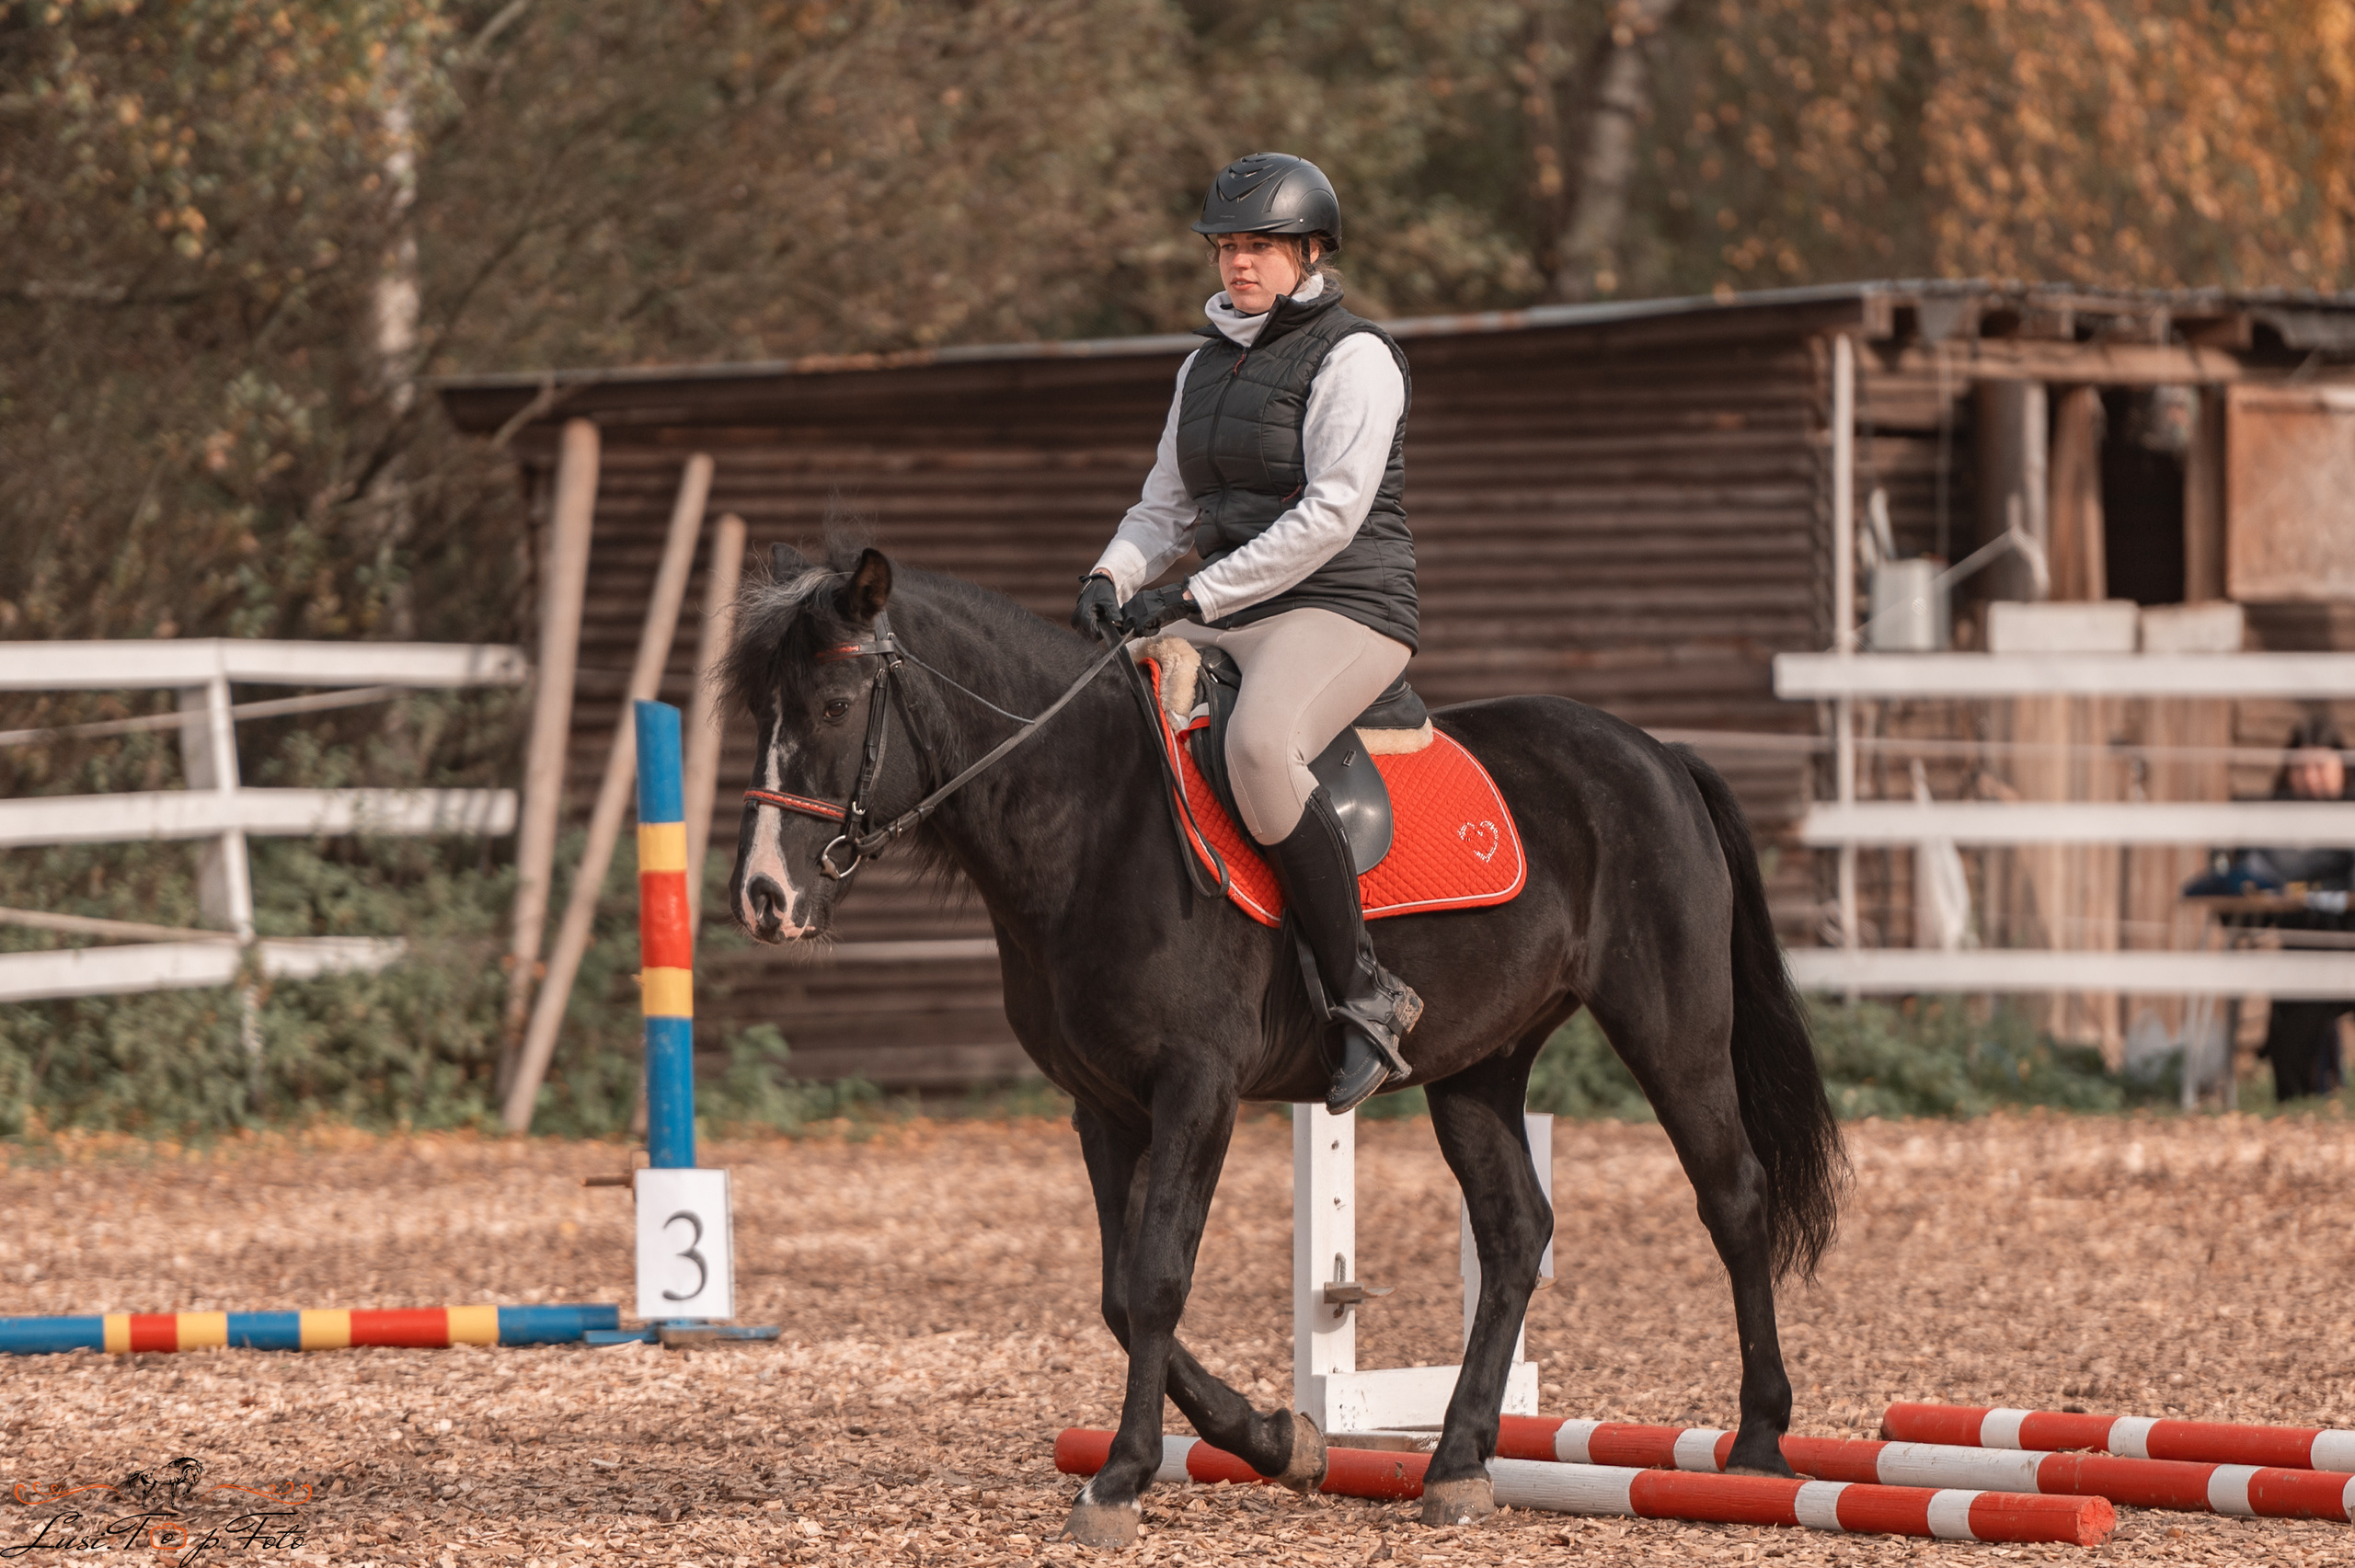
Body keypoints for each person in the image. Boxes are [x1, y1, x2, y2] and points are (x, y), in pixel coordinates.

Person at [1071, 152, 1419, 1116]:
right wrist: (1113, 573)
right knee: (1086, 711)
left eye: (1259, 245)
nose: (1238, 263)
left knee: (1261, 747)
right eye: (1227, 246)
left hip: (1344, 606)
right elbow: (1165, 506)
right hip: (1228, 609)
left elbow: (1330, 515)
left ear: (1309, 252)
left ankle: (1363, 993)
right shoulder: (1201, 367)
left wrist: (1191, 598)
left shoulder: (1357, 357)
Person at [2252, 719, 2355, 1101]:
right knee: (2294, 1008)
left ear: (2342, 768)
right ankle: (2296, 1101)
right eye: (2301, 768)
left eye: (2320, 767)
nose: (2311, 779)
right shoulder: (2276, 824)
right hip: (2303, 948)